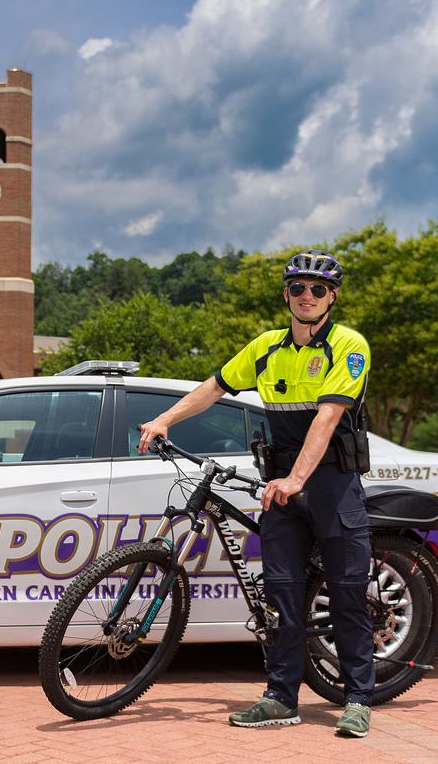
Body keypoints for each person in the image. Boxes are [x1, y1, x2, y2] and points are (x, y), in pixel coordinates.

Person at [137, 250, 374, 738]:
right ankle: (280, 697)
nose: (307, 297)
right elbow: (214, 387)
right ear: (286, 294)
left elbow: (328, 418)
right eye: (297, 288)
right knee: (281, 594)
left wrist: (297, 480)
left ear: (333, 296)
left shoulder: (349, 345)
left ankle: (357, 699)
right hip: (282, 482)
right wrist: (164, 419)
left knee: (347, 592)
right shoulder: (267, 346)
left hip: (330, 480)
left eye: (318, 289)